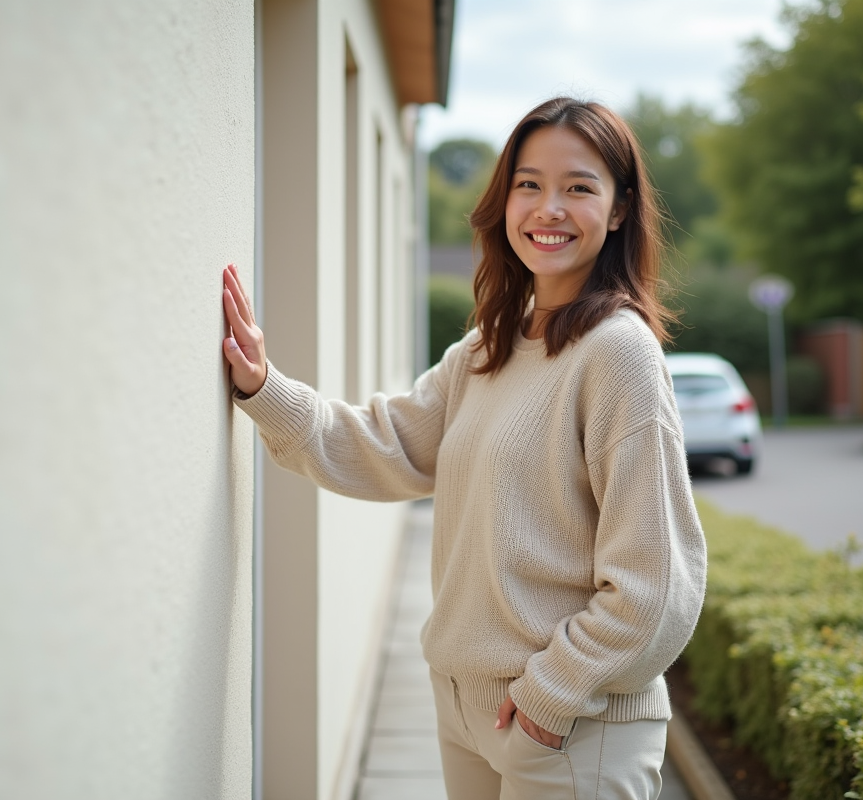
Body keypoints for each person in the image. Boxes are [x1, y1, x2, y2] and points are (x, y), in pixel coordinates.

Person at [221, 96, 706, 800]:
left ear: (621, 209)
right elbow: (386, 445)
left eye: (579, 187)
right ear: (504, 200)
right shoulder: (490, 346)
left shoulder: (617, 354)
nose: (549, 208)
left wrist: (550, 695)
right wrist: (263, 387)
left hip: (569, 728)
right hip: (467, 710)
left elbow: (659, 585)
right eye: (529, 184)